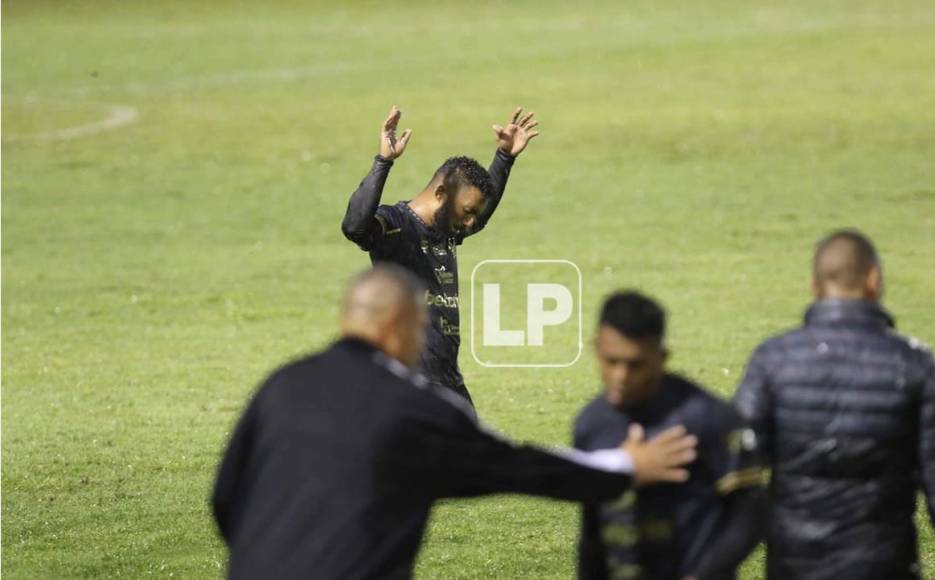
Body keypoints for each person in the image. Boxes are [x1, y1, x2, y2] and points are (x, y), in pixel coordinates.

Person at [212, 265, 699, 580]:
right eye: (421, 328)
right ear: (395, 326)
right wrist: (624, 466)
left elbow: (226, 498)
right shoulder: (413, 408)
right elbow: (516, 464)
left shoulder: (283, 384)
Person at [734, 229, 935, 579]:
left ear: (815, 288)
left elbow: (736, 464)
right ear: (873, 279)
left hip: (794, 566)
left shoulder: (773, 361)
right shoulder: (915, 364)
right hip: (885, 566)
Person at [340, 105, 539, 406]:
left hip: (446, 380)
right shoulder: (395, 224)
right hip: (407, 381)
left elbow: (479, 217)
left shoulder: (447, 228)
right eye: (467, 211)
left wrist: (504, 157)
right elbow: (355, 227)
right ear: (441, 194)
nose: (472, 223)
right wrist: (383, 162)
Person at [574, 291, 765, 580]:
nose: (620, 377)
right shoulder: (591, 423)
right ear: (596, 348)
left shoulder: (709, 418)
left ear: (661, 357)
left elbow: (751, 512)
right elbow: (592, 526)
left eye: (635, 365)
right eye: (610, 361)